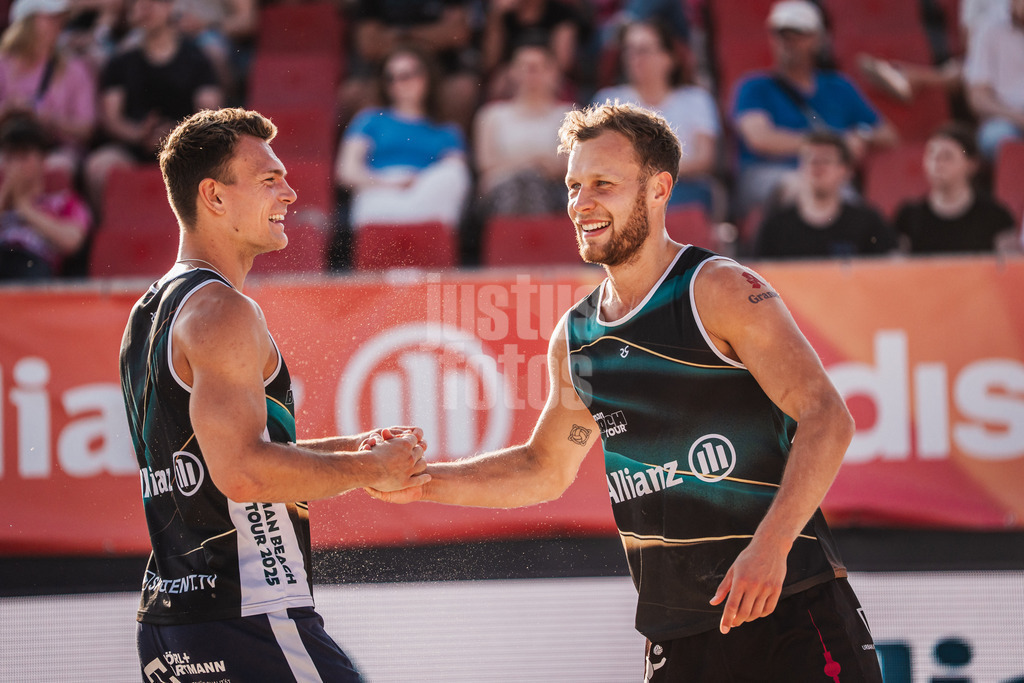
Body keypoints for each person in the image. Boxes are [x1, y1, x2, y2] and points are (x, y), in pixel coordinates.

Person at [365, 102, 883, 681]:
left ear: (658, 189)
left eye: (603, 184)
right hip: (677, 631)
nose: (580, 203)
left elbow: (827, 417)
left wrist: (772, 546)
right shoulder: (577, 336)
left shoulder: (718, 289)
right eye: (574, 186)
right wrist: (423, 481)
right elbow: (544, 468)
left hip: (786, 602)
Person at [119, 108, 430, 681]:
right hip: (248, 615)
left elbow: (218, 459)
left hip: (171, 624)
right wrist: (371, 468)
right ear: (214, 196)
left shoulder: (150, 310)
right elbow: (244, 474)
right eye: (269, 179)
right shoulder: (222, 310)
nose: (290, 192)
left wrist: (355, 449)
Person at [731, 0, 897, 219]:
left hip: (830, 176)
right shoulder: (754, 87)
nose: (789, 43)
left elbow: (888, 134)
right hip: (769, 174)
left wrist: (861, 136)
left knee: (844, 199)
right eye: (782, 36)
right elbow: (760, 139)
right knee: (811, 189)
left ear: (818, 39)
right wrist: (834, 144)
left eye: (798, 35)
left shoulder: (839, 87)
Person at [83, 0, 223, 208]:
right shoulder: (121, 62)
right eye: (138, 2)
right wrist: (139, 134)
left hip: (186, 145)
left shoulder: (196, 59)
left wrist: (175, 134)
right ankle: (108, 227)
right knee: (97, 168)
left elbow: (210, 111)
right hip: (133, 146)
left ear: (170, 7)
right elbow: (111, 119)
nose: (146, 7)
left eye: (155, 1)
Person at [335, 45, 470, 231]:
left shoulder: (448, 131)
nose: (399, 83)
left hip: (426, 194)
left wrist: (418, 184)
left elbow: (454, 178)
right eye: (391, 78)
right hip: (380, 192)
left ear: (427, 76)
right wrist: (389, 183)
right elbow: (346, 172)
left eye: (407, 75)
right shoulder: (370, 119)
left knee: (454, 172)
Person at [594, 19, 720, 217]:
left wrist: (652, 175)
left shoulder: (696, 99)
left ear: (669, 57)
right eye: (629, 50)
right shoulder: (608, 101)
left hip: (684, 186)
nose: (634, 58)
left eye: (643, 50)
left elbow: (705, 159)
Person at [754, 130, 896, 259]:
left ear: (845, 171)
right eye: (811, 159)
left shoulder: (868, 224)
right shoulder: (775, 227)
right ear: (800, 167)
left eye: (826, 160)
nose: (817, 167)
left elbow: (892, 267)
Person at [472, 42, 570, 222]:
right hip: (501, 191)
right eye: (525, 67)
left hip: (551, 190)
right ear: (512, 72)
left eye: (539, 67)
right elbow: (486, 164)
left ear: (553, 72)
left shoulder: (568, 114)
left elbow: (570, 166)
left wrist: (516, 165)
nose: (532, 74)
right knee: (519, 185)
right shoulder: (491, 114)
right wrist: (535, 162)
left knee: (532, 185)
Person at [0, 0, 97, 175]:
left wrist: (49, 121)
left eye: (60, 18)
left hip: (56, 149)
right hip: (7, 146)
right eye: (50, 18)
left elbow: (87, 129)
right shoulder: (2, 65)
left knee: (56, 166)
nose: (58, 24)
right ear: (26, 23)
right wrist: (8, 110)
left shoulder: (75, 68)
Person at [895, 122, 1017, 253]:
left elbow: (1010, 262)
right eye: (931, 155)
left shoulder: (995, 216)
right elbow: (896, 262)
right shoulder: (909, 217)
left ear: (971, 164)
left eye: (947, 157)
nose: (937, 164)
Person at [0, 111, 90, 280]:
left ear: (42, 159)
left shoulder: (64, 201)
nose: (16, 165)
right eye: (10, 158)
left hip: (34, 267)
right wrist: (6, 197)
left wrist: (24, 207)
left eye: (23, 157)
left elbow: (72, 242)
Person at [964, 0, 1024, 159]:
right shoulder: (988, 27)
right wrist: (1017, 117)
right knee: (996, 139)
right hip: (1006, 118)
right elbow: (978, 97)